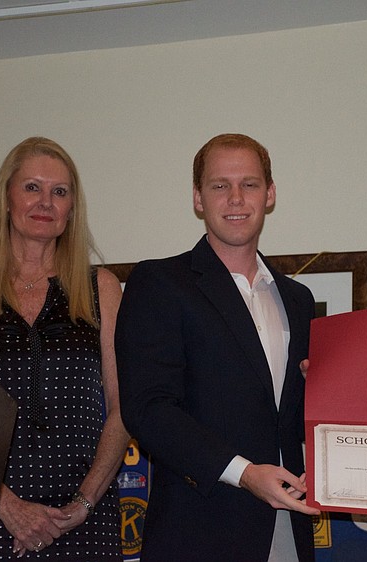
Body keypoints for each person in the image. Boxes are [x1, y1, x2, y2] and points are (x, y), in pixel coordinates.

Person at [115, 133, 320, 561]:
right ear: (197, 198)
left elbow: (291, 415)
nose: (235, 198)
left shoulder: (297, 299)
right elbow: (147, 407)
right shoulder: (159, 283)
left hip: (290, 526)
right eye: (219, 186)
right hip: (198, 531)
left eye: (249, 184)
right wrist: (244, 474)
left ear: (270, 194)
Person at [0, 136, 130, 560]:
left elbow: (123, 408)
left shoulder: (102, 289)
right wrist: (7, 506)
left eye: (59, 192)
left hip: (84, 521)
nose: (46, 201)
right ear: (6, 198)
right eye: (32, 187)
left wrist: (81, 505)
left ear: (71, 209)